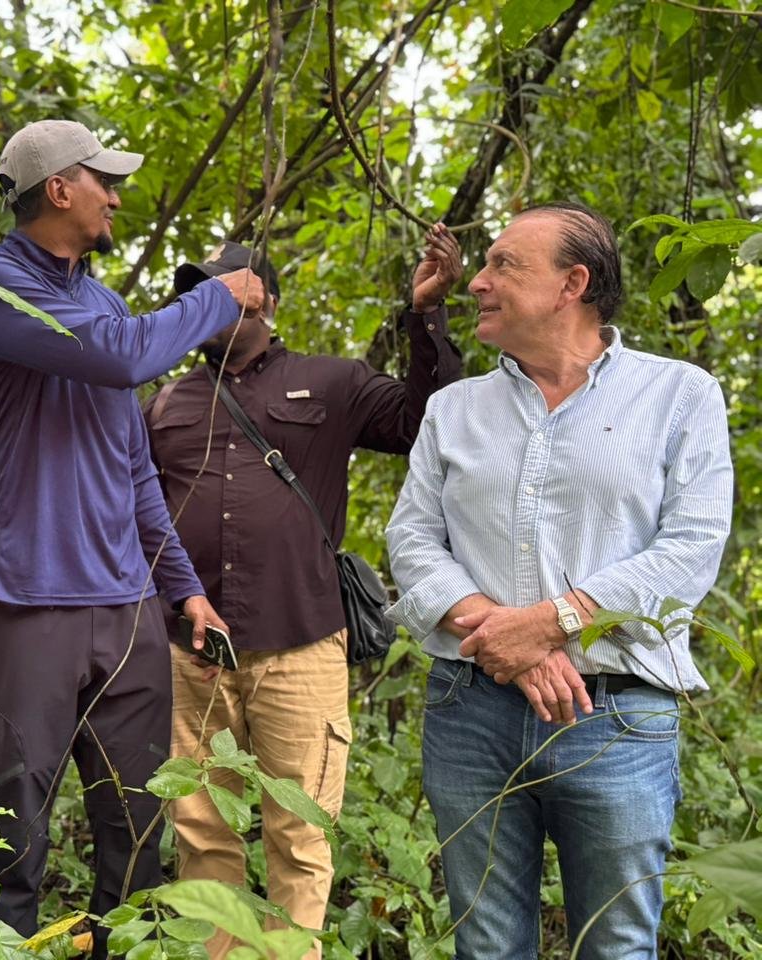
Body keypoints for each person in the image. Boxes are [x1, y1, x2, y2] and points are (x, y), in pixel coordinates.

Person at [0, 119, 264, 955]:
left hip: (126, 611)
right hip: (24, 604)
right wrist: (219, 295)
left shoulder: (106, 302)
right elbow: (122, 357)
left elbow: (133, 471)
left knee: (136, 837)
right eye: (104, 181)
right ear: (59, 189)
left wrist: (183, 589)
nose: (116, 198)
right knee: (10, 842)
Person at [385, 202, 733, 959]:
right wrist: (503, 635)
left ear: (572, 284)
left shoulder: (680, 394)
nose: (476, 281)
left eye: (502, 264)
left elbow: (692, 546)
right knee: (485, 947)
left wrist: (552, 621)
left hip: (619, 718)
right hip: (470, 709)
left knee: (616, 946)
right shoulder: (453, 409)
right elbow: (410, 538)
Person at [144, 231, 463, 958]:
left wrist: (426, 316)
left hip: (302, 647)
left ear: (266, 303)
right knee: (202, 832)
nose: (209, 305)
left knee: (300, 834)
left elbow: (425, 421)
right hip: (192, 653)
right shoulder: (164, 403)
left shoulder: (331, 380)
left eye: (225, 291)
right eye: (198, 296)